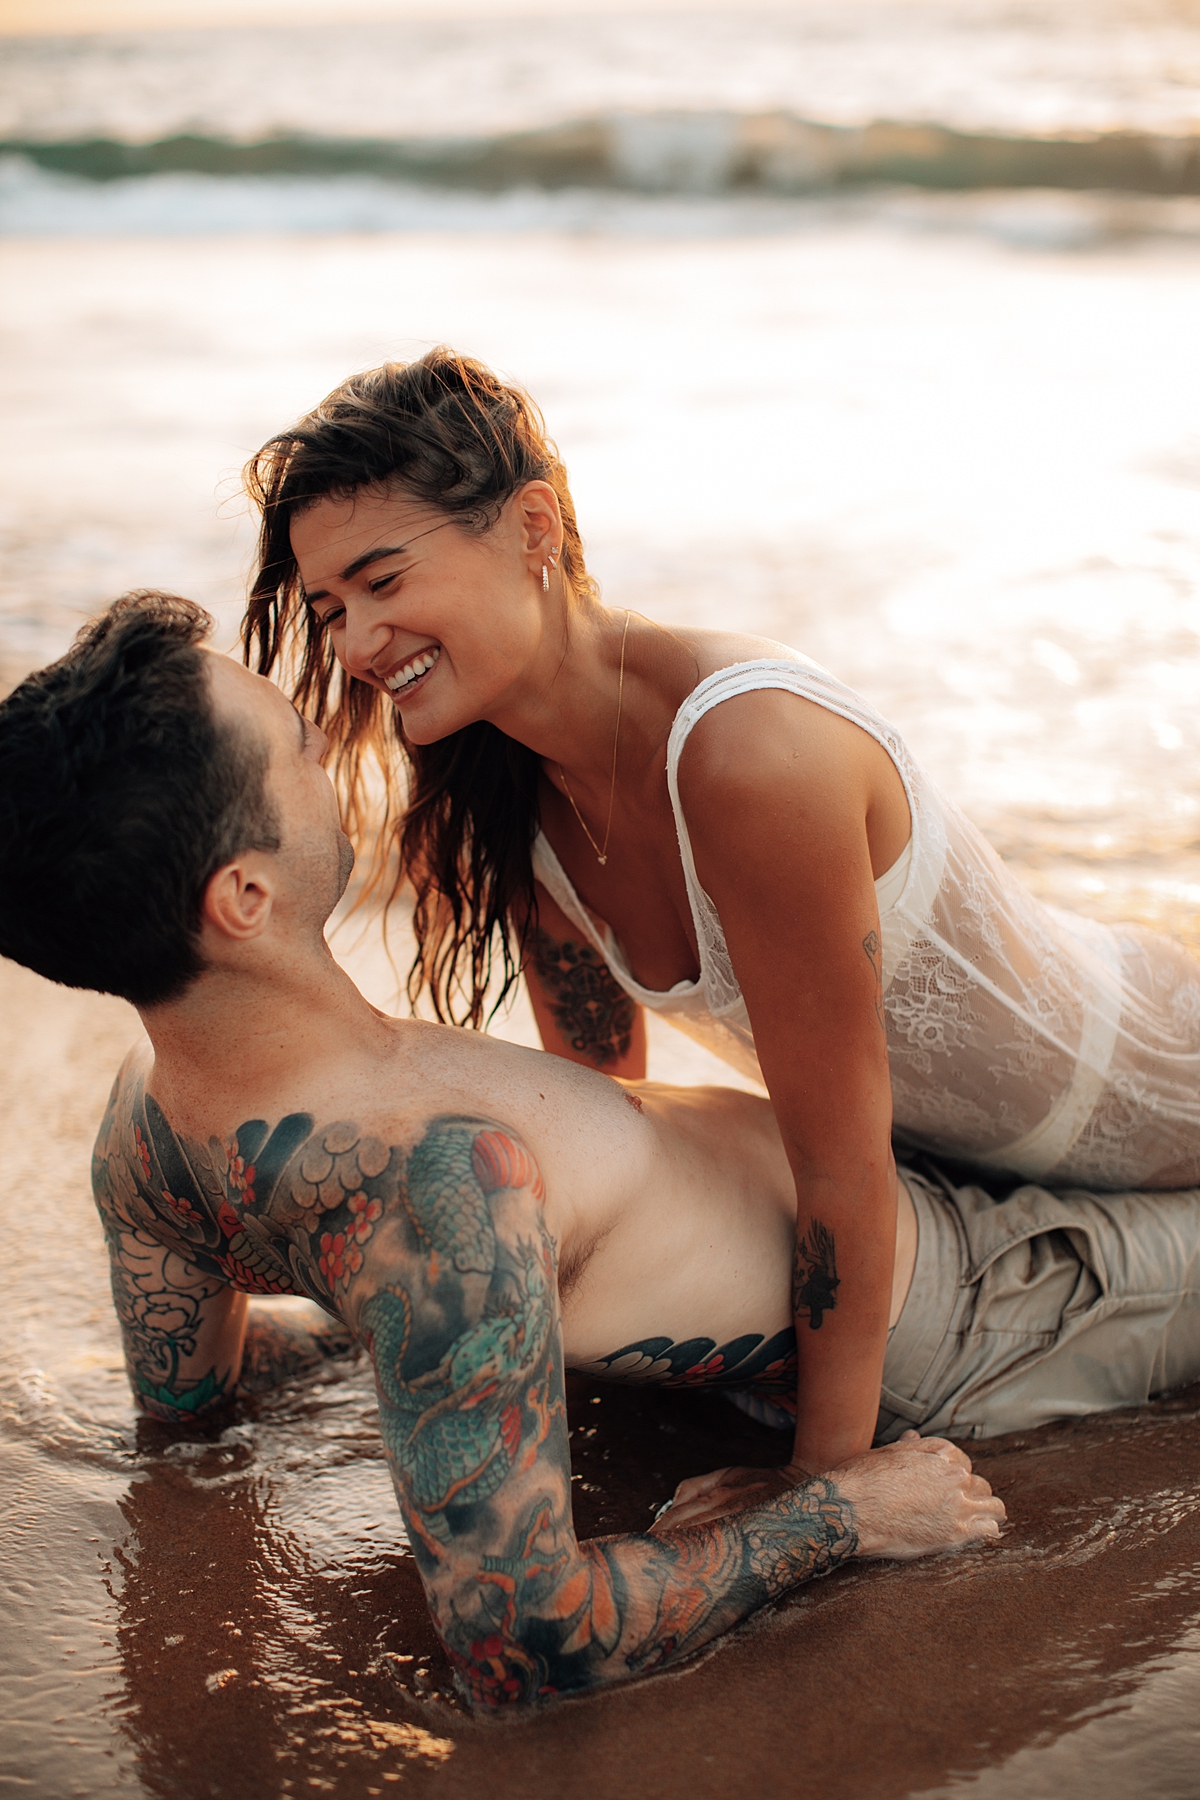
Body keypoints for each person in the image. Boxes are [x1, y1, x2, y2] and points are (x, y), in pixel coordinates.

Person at [5, 597, 1200, 1709]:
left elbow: (192, 1408)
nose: (327, 731)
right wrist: (839, 1510)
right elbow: (526, 1645)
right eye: (294, 746)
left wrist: (424, 1344)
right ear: (244, 896)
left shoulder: (147, 1131)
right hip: (975, 1307)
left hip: (889, 1213)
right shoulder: (435, 1187)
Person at [242, 349, 1200, 1495]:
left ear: (533, 526)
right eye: (329, 609)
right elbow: (607, 1112)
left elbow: (837, 1169)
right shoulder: (517, 796)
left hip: (1158, 1100)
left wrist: (826, 1484)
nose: (352, 646)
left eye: (384, 582)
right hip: (966, 1169)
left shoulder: (748, 755)